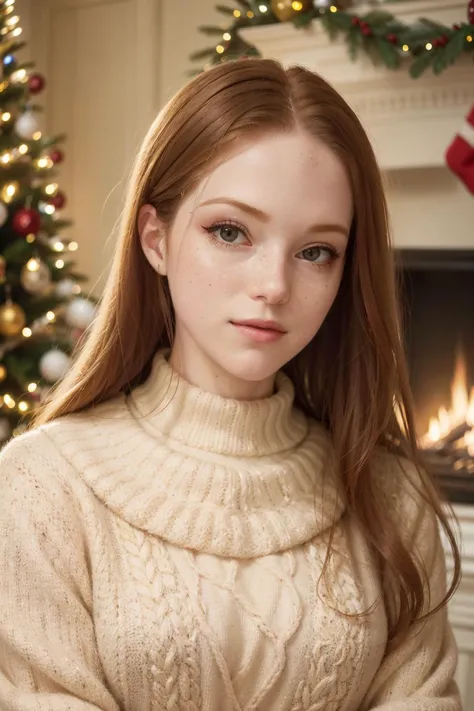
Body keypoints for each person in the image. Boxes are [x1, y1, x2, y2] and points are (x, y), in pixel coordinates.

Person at [0, 58, 462, 711]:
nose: (274, 285)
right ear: (155, 239)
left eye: (315, 251)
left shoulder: (391, 495)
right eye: (230, 231)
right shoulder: (41, 488)